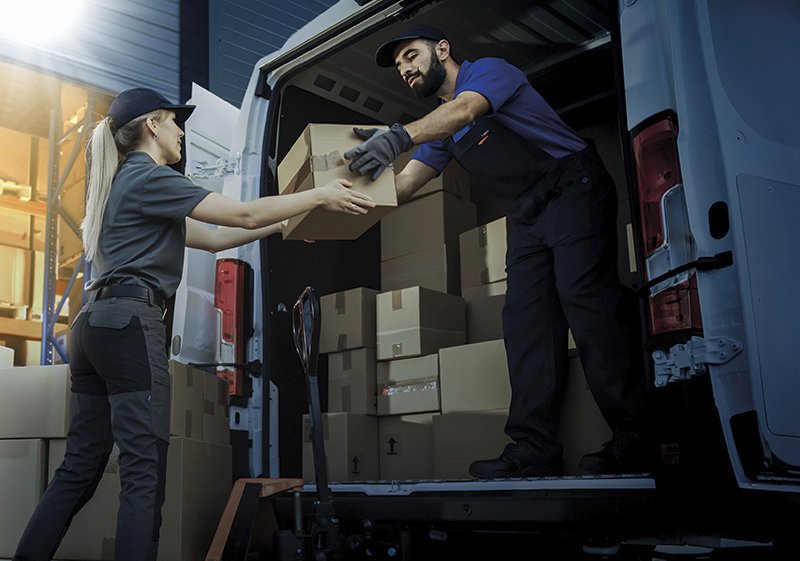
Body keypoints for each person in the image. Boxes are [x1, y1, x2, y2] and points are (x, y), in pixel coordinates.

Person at [13, 87, 374, 561]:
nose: (182, 133)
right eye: (176, 122)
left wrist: (290, 222)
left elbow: (219, 235)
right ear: (153, 125)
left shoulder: (128, 183)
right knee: (144, 475)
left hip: (92, 327)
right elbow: (240, 211)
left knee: (79, 467)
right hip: (129, 326)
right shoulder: (149, 177)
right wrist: (321, 192)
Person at [344, 25, 645, 478]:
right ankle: (534, 447)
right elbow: (404, 184)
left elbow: (466, 111)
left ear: (442, 49)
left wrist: (398, 137)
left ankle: (634, 434)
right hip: (527, 216)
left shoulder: (487, 73)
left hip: (572, 188)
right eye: (399, 65)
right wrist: (335, 207)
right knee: (524, 322)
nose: (405, 68)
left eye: (410, 55)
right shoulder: (439, 130)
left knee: (585, 300)